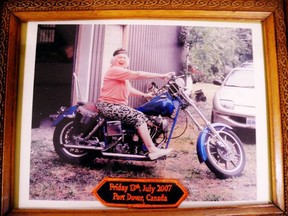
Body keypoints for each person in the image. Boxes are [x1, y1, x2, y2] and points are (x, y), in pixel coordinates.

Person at [97, 48, 174, 160]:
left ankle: (137, 145)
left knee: (145, 117)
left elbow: (130, 89)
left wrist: (145, 95)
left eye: (124, 58)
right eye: (119, 57)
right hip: (109, 106)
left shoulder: (121, 74)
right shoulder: (114, 70)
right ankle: (152, 149)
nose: (122, 59)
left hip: (117, 106)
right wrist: (160, 75)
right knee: (138, 116)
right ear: (113, 60)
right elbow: (137, 74)